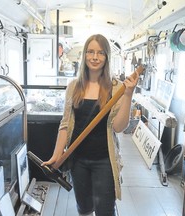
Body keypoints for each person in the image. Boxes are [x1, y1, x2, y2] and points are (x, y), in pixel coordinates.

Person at [43, 34, 139, 216]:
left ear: (107, 57)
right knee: (84, 209)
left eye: (100, 53)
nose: (95, 57)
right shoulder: (73, 87)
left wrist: (128, 95)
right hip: (78, 160)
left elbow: (119, 127)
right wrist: (57, 156)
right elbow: (65, 125)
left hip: (104, 160)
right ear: (84, 55)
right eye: (90, 52)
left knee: (105, 211)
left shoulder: (116, 88)